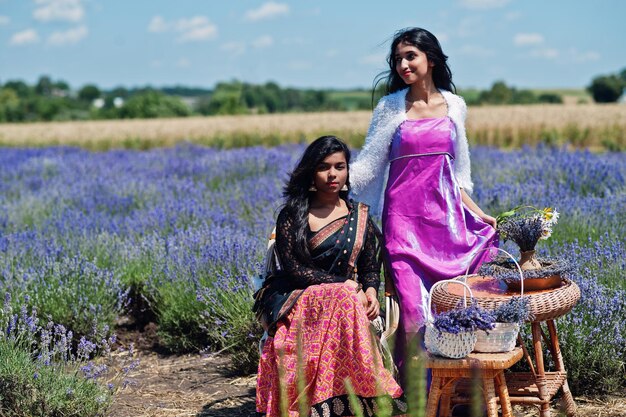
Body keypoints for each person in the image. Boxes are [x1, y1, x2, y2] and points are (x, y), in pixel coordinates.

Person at [349, 27, 498, 380]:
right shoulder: (390, 107)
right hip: (402, 224)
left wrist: (479, 215)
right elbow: (369, 165)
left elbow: (458, 174)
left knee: (457, 305)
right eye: (397, 58)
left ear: (430, 59)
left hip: (446, 223)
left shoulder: (455, 106)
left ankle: (458, 389)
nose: (402, 64)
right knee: (415, 312)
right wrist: (326, 182)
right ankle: (421, 392)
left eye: (410, 56)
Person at [254, 136, 407, 417]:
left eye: (340, 166)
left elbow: (371, 267)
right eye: (324, 167)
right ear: (312, 171)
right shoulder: (293, 214)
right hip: (298, 297)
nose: (333, 174)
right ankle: (365, 397)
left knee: (346, 297)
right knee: (345, 295)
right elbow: (292, 269)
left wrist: (371, 292)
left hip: (346, 304)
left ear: (348, 171)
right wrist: (343, 285)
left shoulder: (358, 215)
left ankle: (342, 401)